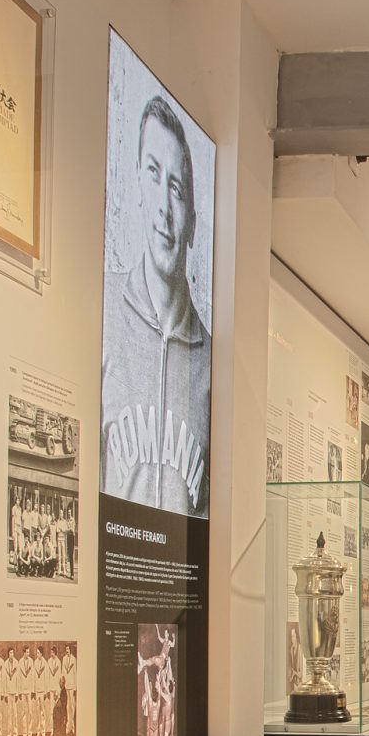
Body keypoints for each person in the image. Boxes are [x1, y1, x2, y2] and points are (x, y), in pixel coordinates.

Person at [102, 93, 211, 515]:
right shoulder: (106, 313)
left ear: (192, 223)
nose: (164, 208)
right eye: (154, 174)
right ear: (138, 189)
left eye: (177, 189)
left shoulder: (211, 363)